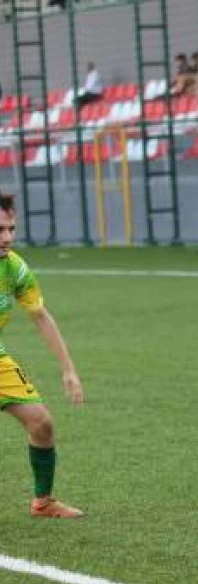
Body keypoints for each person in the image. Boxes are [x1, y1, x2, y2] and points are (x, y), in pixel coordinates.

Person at [0, 191, 85, 519]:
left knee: (41, 423)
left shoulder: (15, 268)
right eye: (0, 230)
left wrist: (68, 370)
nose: (7, 237)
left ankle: (43, 502)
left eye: (11, 228)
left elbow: (40, 315)